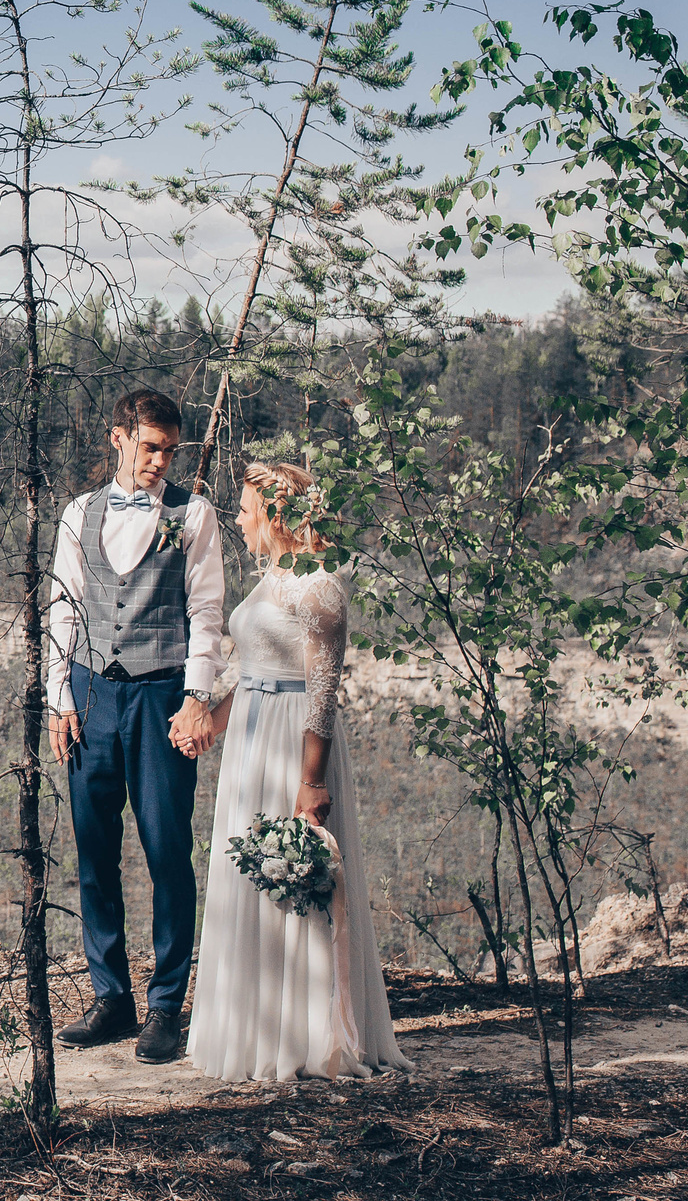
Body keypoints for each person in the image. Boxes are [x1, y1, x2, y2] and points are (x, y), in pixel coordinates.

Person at [188, 461, 407, 1081]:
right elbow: (255, 669)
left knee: (298, 876)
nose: (238, 517)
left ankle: (307, 1036)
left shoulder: (319, 588)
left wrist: (311, 781)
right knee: (250, 871)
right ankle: (252, 1029)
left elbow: (321, 695)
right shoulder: (272, 579)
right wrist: (213, 719)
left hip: (293, 746)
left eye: (247, 507)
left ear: (278, 514)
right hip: (252, 741)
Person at [46, 388, 227, 1064]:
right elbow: (62, 609)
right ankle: (110, 996)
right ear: (117, 438)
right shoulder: (77, 514)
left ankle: (164, 1006)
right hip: (91, 694)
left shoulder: (192, 514)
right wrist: (59, 699)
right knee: (94, 851)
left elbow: (206, 612)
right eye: (149, 446)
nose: (159, 460)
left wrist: (196, 696)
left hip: (160, 697)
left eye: (169, 450)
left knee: (165, 851)